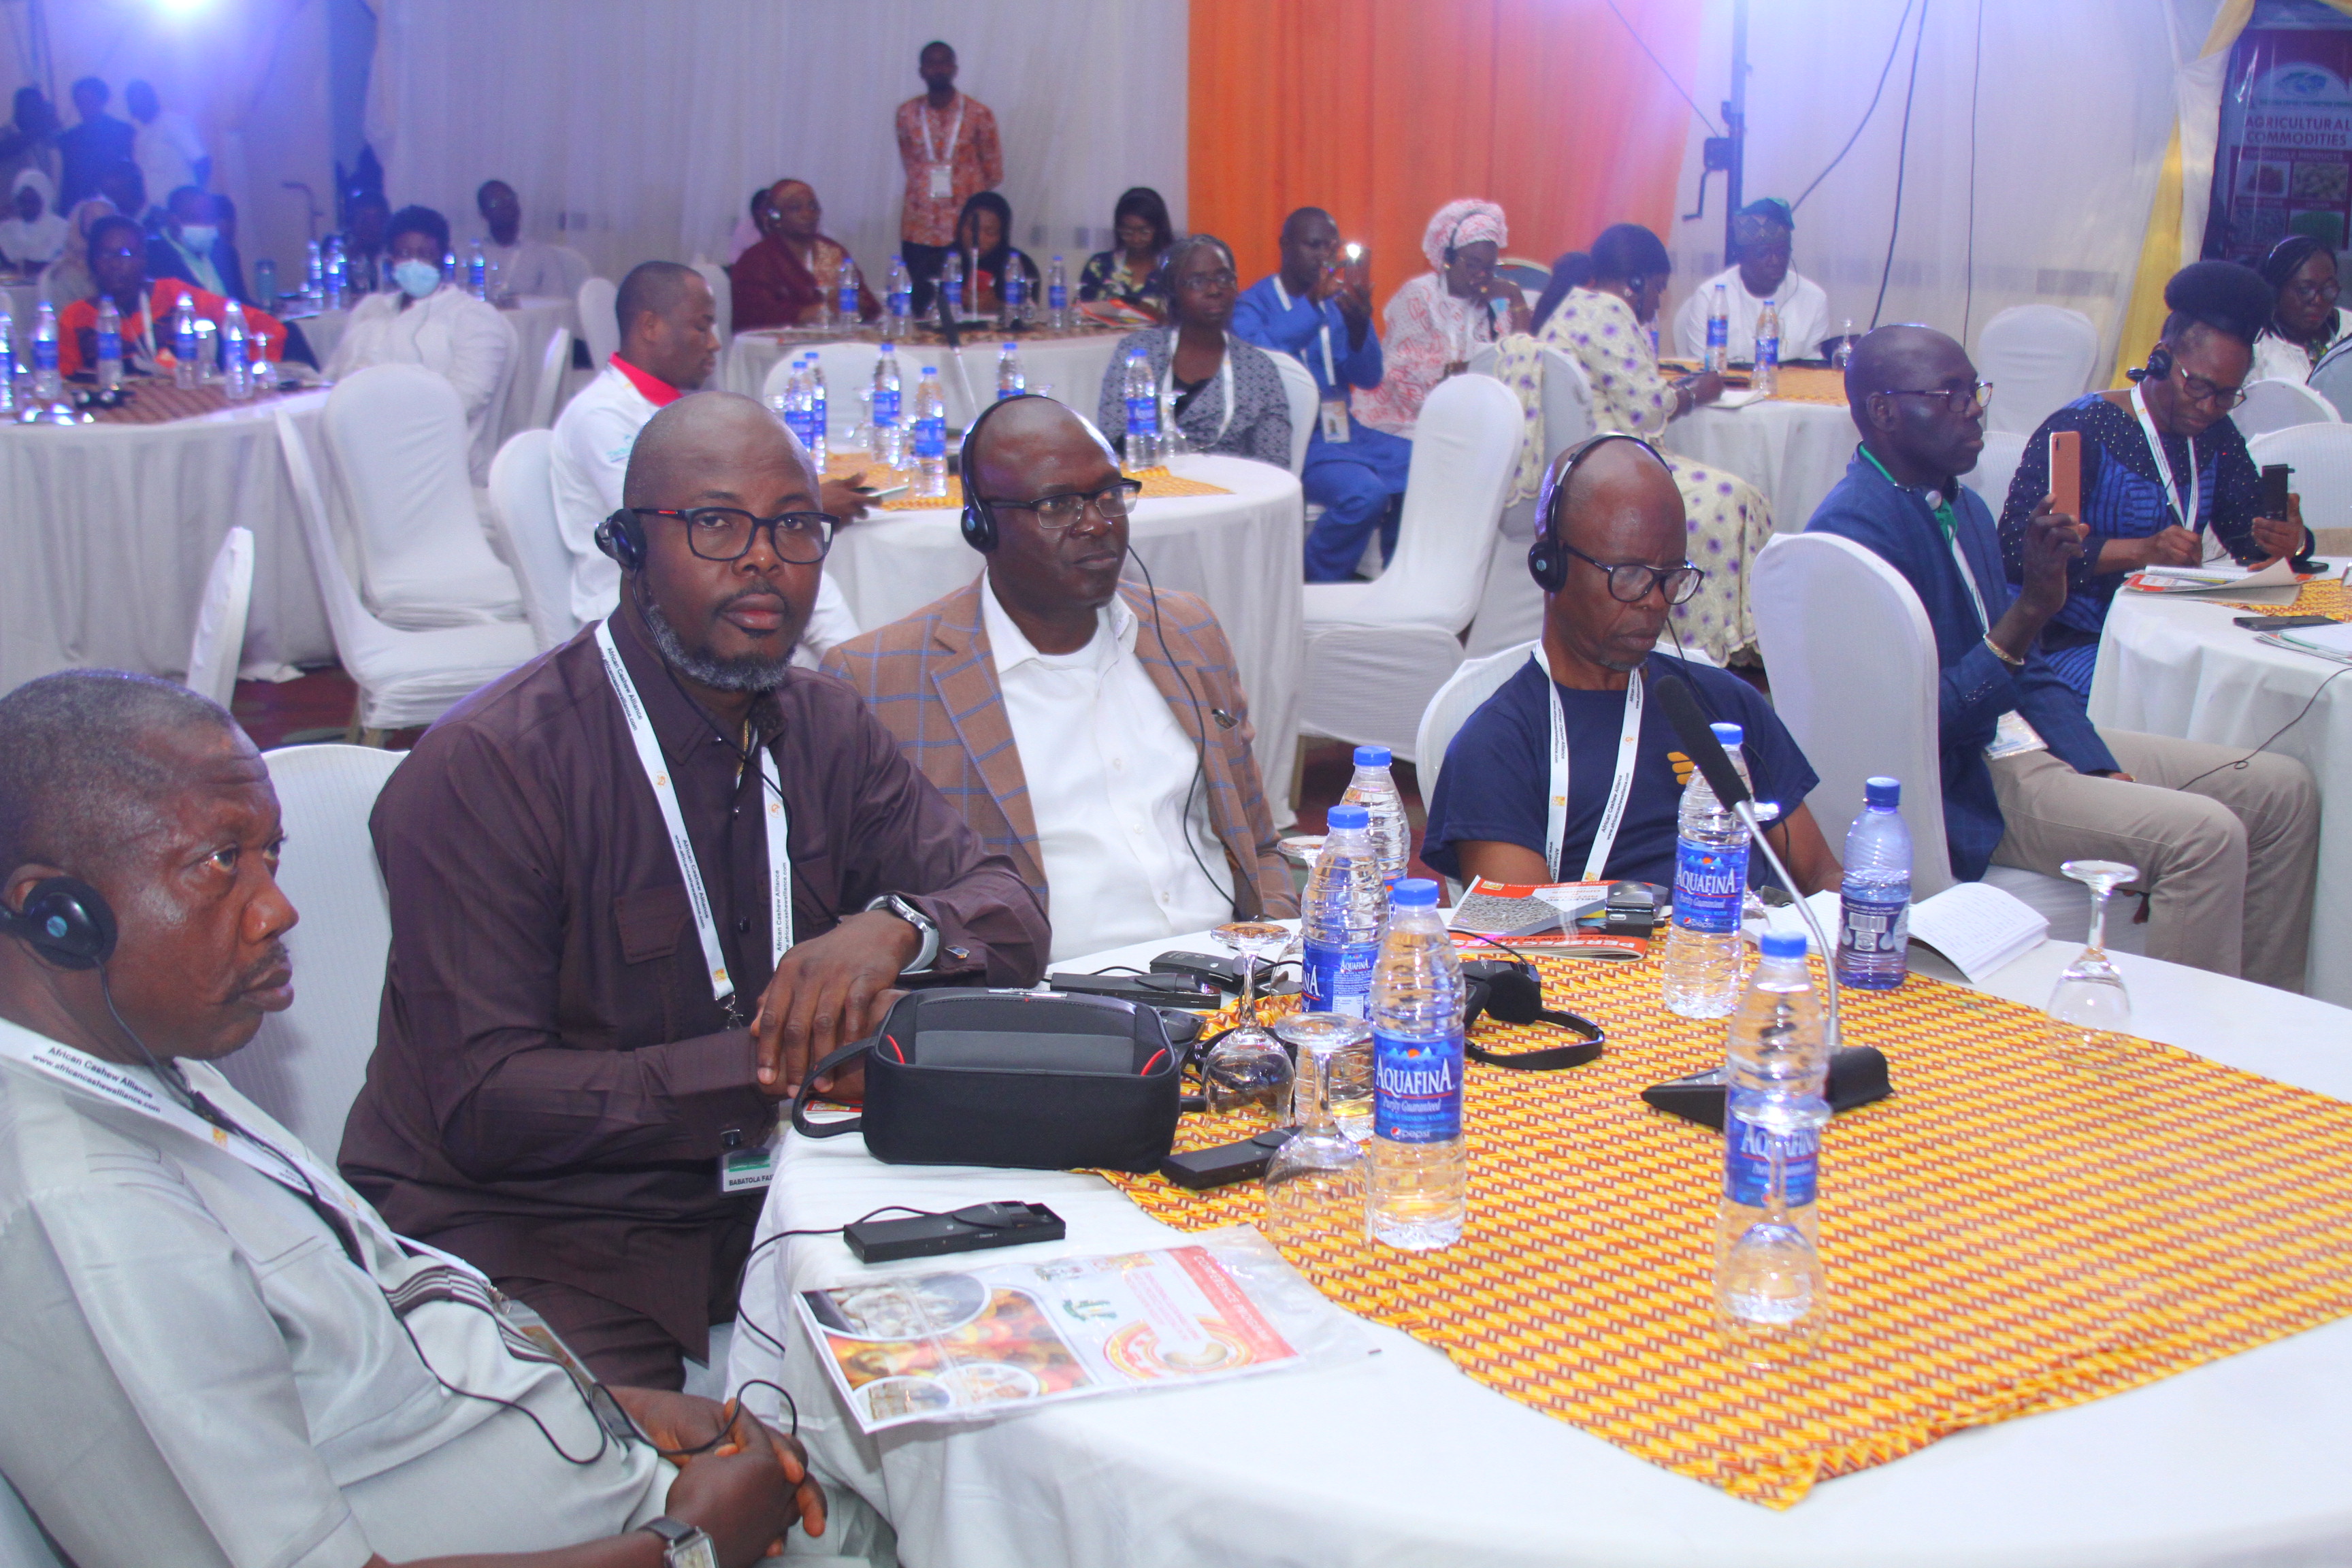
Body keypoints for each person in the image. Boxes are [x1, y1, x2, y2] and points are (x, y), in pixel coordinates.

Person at [0, 670, 828, 1567]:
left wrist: (618, 1409)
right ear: (56, 916)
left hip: (619, 1486)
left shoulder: (140, 1067)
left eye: (271, 856)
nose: (278, 909)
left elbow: (366, 1383)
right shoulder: (87, 1213)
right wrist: (690, 1546)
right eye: (220, 862)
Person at [344, 393, 1048, 1389]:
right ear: (629, 546)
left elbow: (1011, 910)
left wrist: (900, 930)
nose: (764, 560)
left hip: (783, 1196)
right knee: (643, 1471)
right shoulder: (489, 767)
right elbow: (488, 1103)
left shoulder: (828, 729)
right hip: (543, 1230)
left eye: (795, 526)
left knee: (1008, 1364)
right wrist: (780, 1060)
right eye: (717, 524)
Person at [1808, 324, 2319, 990]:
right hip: (1966, 774)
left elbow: (2034, 672)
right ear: (1883, 410)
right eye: (1951, 395)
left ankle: (2261, 1020)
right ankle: (2182, 1048)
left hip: (2025, 736)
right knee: (2206, 837)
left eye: (1976, 391)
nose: (1974, 409)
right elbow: (1913, 728)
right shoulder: (1854, 532)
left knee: (2283, 791)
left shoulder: (1964, 507)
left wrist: (2095, 764)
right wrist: (2029, 612)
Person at [823, 395, 1294, 961]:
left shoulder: (1188, 631)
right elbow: (858, 908)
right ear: (981, 525)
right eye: (1057, 505)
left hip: (1231, 980)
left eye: (1109, 495)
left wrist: (1277, 954)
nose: (1096, 523)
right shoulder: (881, 680)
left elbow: (1260, 844)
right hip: (1048, 998)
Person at [1424, 436, 1840, 896]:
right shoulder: (1499, 745)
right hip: (1619, 942)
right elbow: (1524, 930)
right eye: (1629, 575)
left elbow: (1821, 877)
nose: (1655, 601)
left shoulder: (1726, 704)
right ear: (1550, 567)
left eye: (1671, 577)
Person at [1998, 262, 2314, 699]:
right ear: (2161, 359)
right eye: (2198, 386)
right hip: (2077, 642)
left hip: (2173, 636)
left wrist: (2290, 541)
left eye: (2227, 395)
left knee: (2261, 692)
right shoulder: (2082, 427)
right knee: (2188, 702)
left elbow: (2248, 537)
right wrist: (2140, 551)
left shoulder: (2215, 434)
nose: (2208, 407)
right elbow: (2015, 548)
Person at [552, 259, 867, 655]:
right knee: (785, 551)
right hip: (641, 625)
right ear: (650, 327)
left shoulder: (680, 412)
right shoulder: (601, 417)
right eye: (702, 327)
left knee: (791, 553)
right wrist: (803, 512)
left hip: (708, 595)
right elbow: (674, 536)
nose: (715, 343)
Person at [1522, 223, 1775, 664]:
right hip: (1611, 467)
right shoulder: (1606, 312)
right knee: (1736, 500)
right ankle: (1704, 649)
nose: (1658, 302)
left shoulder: (1571, 308)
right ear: (1636, 282)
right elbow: (1646, 410)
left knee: (1729, 494)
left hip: (1583, 469)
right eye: (1658, 289)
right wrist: (1697, 393)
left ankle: (1717, 642)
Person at [1234, 206, 1413, 580]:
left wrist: (1360, 328)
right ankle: (1313, 584)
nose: (1325, 256)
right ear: (1284, 245)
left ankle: (1397, 578)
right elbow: (1256, 362)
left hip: (1345, 432)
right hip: (1293, 441)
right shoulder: (1252, 304)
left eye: (1332, 247)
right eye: (1314, 245)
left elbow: (1369, 379)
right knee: (1365, 495)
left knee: (1422, 468)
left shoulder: (1339, 302)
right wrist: (1312, 304)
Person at [324, 203, 514, 475]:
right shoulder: (371, 309)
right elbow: (331, 378)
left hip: (433, 460)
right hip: (353, 446)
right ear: (391, 259)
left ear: (443, 257)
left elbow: (465, 399)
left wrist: (379, 419)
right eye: (404, 254)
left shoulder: (472, 317)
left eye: (425, 254)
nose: (414, 263)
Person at [1095, 233, 1288, 468]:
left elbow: (1275, 464)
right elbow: (1111, 439)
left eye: (1224, 278)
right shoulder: (1138, 352)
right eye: (1198, 282)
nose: (1215, 290)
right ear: (1172, 292)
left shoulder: (1259, 369)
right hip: (1149, 482)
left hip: (1230, 486)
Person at [1354, 197, 1529, 438]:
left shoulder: (1494, 301)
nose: (1482, 275)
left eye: (1489, 267)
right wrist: (1467, 374)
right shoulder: (1420, 295)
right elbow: (1402, 376)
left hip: (1474, 416)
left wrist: (1515, 297)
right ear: (1448, 259)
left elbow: (1521, 357)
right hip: (1409, 419)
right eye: (1473, 264)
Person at [56, 212, 284, 378]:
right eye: (106, 255)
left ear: (143, 259)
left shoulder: (176, 297)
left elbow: (267, 328)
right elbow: (63, 380)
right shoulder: (76, 318)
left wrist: (245, 374)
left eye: (126, 254)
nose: (115, 264)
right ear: (91, 262)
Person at [897, 40, 1002, 311]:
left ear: (955, 69)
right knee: (920, 302)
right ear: (921, 71)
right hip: (919, 224)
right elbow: (910, 161)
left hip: (963, 226)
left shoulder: (979, 113)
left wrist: (963, 186)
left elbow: (993, 171)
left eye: (944, 63)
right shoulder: (906, 113)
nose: (938, 69)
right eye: (931, 64)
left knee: (964, 303)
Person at [1671, 197, 1831, 363]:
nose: (1775, 261)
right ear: (1741, 256)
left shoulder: (1813, 298)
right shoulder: (1711, 296)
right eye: (1764, 253)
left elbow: (1815, 368)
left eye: (1782, 252)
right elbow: (1702, 369)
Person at [728, 178, 877, 330]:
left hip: (840, 338)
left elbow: (868, 304)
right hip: (780, 342)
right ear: (776, 217)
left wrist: (858, 306)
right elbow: (753, 316)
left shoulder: (834, 251)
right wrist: (812, 313)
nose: (807, 214)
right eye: (795, 208)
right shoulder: (756, 260)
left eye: (813, 207)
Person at [2248, 234, 2350, 384]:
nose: (2318, 300)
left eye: (2328, 289)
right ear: (2274, 291)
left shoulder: (2349, 330)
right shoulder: (2255, 350)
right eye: (2304, 290)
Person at [1078, 186, 1174, 321]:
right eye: (1128, 232)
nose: (1136, 239)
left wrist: (1155, 314)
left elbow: (1188, 321)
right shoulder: (1100, 265)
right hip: (1104, 334)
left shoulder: (1174, 268)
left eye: (1144, 232)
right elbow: (1080, 312)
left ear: (1159, 229)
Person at [145, 184, 248, 304]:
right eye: (197, 218)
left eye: (210, 219)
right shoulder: (151, 257)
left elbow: (242, 301)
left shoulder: (225, 252)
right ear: (173, 220)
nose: (206, 225)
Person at [943, 189, 1039, 318]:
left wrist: (996, 306)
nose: (979, 238)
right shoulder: (938, 262)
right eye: (972, 228)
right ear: (961, 225)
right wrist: (953, 302)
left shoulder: (1020, 265)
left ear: (1002, 234)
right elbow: (920, 313)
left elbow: (1029, 316)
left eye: (990, 232)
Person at [476, 178, 568, 298]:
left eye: (510, 198)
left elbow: (556, 299)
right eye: (496, 203)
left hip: (528, 310)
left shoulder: (542, 254)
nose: (506, 205)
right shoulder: (474, 254)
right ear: (484, 214)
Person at [124, 79, 206, 206]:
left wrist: (196, 200)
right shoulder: (140, 137)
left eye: (141, 99)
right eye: (132, 101)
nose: (137, 104)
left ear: (152, 99)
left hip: (183, 208)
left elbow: (201, 161)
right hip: (156, 210)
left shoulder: (172, 123)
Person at [56, 78, 133, 213]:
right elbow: (68, 180)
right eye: (80, 101)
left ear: (102, 100)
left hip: (115, 204)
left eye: (89, 100)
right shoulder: (70, 138)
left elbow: (128, 173)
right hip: (80, 207)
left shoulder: (122, 131)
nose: (84, 106)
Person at [0, 167, 65, 270]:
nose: (27, 207)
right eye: (22, 201)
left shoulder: (62, 229)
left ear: (45, 199)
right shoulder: (6, 230)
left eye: (32, 201)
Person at [343, 187, 391, 291]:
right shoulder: (340, 253)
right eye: (363, 219)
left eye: (375, 219)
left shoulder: (395, 255)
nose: (369, 226)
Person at [728, 183, 774, 264]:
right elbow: (734, 257)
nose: (766, 212)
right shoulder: (744, 228)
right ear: (755, 209)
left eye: (770, 208)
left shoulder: (782, 227)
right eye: (763, 207)